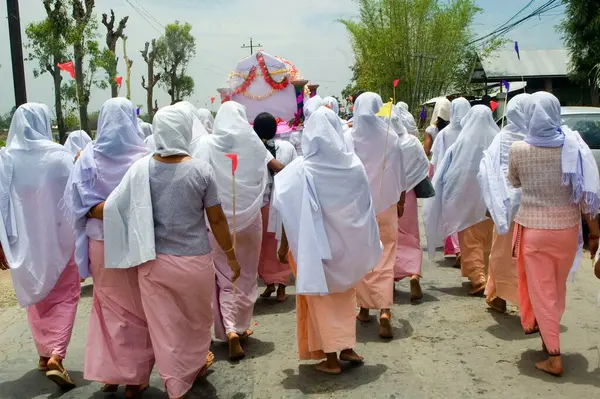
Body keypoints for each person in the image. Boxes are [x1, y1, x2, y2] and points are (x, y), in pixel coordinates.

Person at [102, 105, 241, 399]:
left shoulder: (140, 169)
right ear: (185, 130)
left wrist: (91, 215)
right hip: (195, 263)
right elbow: (216, 219)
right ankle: (190, 369)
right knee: (197, 321)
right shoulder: (201, 170)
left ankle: (175, 383)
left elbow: (114, 207)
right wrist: (230, 255)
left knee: (164, 327)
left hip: (155, 264)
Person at [273, 107, 382, 374]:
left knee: (320, 300)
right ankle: (346, 346)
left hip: (314, 249)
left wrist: (284, 244)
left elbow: (286, 209)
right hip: (347, 247)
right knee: (345, 296)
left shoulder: (300, 169)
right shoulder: (354, 166)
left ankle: (331, 358)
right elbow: (366, 208)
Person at [63, 97, 153, 397]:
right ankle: (136, 376)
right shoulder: (146, 156)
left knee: (109, 307)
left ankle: (112, 373)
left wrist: (99, 209)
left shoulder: (87, 156)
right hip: (136, 239)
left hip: (100, 240)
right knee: (140, 308)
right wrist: (125, 207)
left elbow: (78, 204)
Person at [508, 92, 600, 376]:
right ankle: (549, 336)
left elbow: (513, 181)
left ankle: (554, 356)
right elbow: (584, 195)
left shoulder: (518, 149)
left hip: (534, 232)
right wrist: (595, 233)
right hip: (567, 232)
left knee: (542, 291)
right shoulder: (573, 147)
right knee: (556, 289)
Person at [0, 104, 79, 389]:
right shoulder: (60, 157)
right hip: (59, 237)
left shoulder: (7, 159)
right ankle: (57, 353)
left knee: (37, 294)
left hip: (25, 242)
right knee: (67, 292)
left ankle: (45, 353)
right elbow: (75, 197)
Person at [203, 101, 269, 360]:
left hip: (218, 220)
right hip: (251, 218)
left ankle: (229, 329)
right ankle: (239, 327)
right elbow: (259, 178)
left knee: (224, 275)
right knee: (247, 274)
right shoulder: (254, 144)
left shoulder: (207, 145)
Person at [348, 92, 407, 338]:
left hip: (357, 208)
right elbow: (401, 174)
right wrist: (401, 199)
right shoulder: (391, 137)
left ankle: (363, 308)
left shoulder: (348, 137)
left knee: (361, 257)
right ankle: (384, 309)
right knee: (386, 256)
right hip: (386, 205)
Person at [423, 105, 499, 295]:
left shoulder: (460, 144)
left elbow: (445, 172)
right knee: (488, 242)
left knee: (470, 241)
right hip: (491, 203)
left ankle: (479, 279)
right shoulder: (498, 140)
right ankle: (488, 276)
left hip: (465, 201)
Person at [478, 94, 531, 313]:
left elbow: (488, 172)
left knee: (501, 251)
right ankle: (521, 299)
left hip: (505, 206)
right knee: (526, 255)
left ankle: (498, 295)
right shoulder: (539, 138)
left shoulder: (501, 138)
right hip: (534, 208)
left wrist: (493, 200)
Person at [253, 112, 297, 302]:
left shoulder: (254, 149)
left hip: (262, 203)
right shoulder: (287, 146)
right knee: (280, 243)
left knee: (263, 245)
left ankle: (270, 283)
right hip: (283, 202)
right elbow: (295, 172)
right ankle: (280, 286)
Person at [390, 106, 430, 301]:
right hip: (409, 195)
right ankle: (414, 273)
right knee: (411, 235)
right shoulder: (412, 141)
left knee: (390, 238)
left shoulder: (384, 143)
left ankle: (389, 279)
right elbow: (424, 166)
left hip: (387, 197)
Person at [430, 98, 471, 264]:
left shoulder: (444, 133)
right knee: (467, 215)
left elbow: (436, 159)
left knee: (452, 213)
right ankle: (465, 247)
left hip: (449, 179)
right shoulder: (472, 131)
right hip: (470, 179)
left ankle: (457, 248)